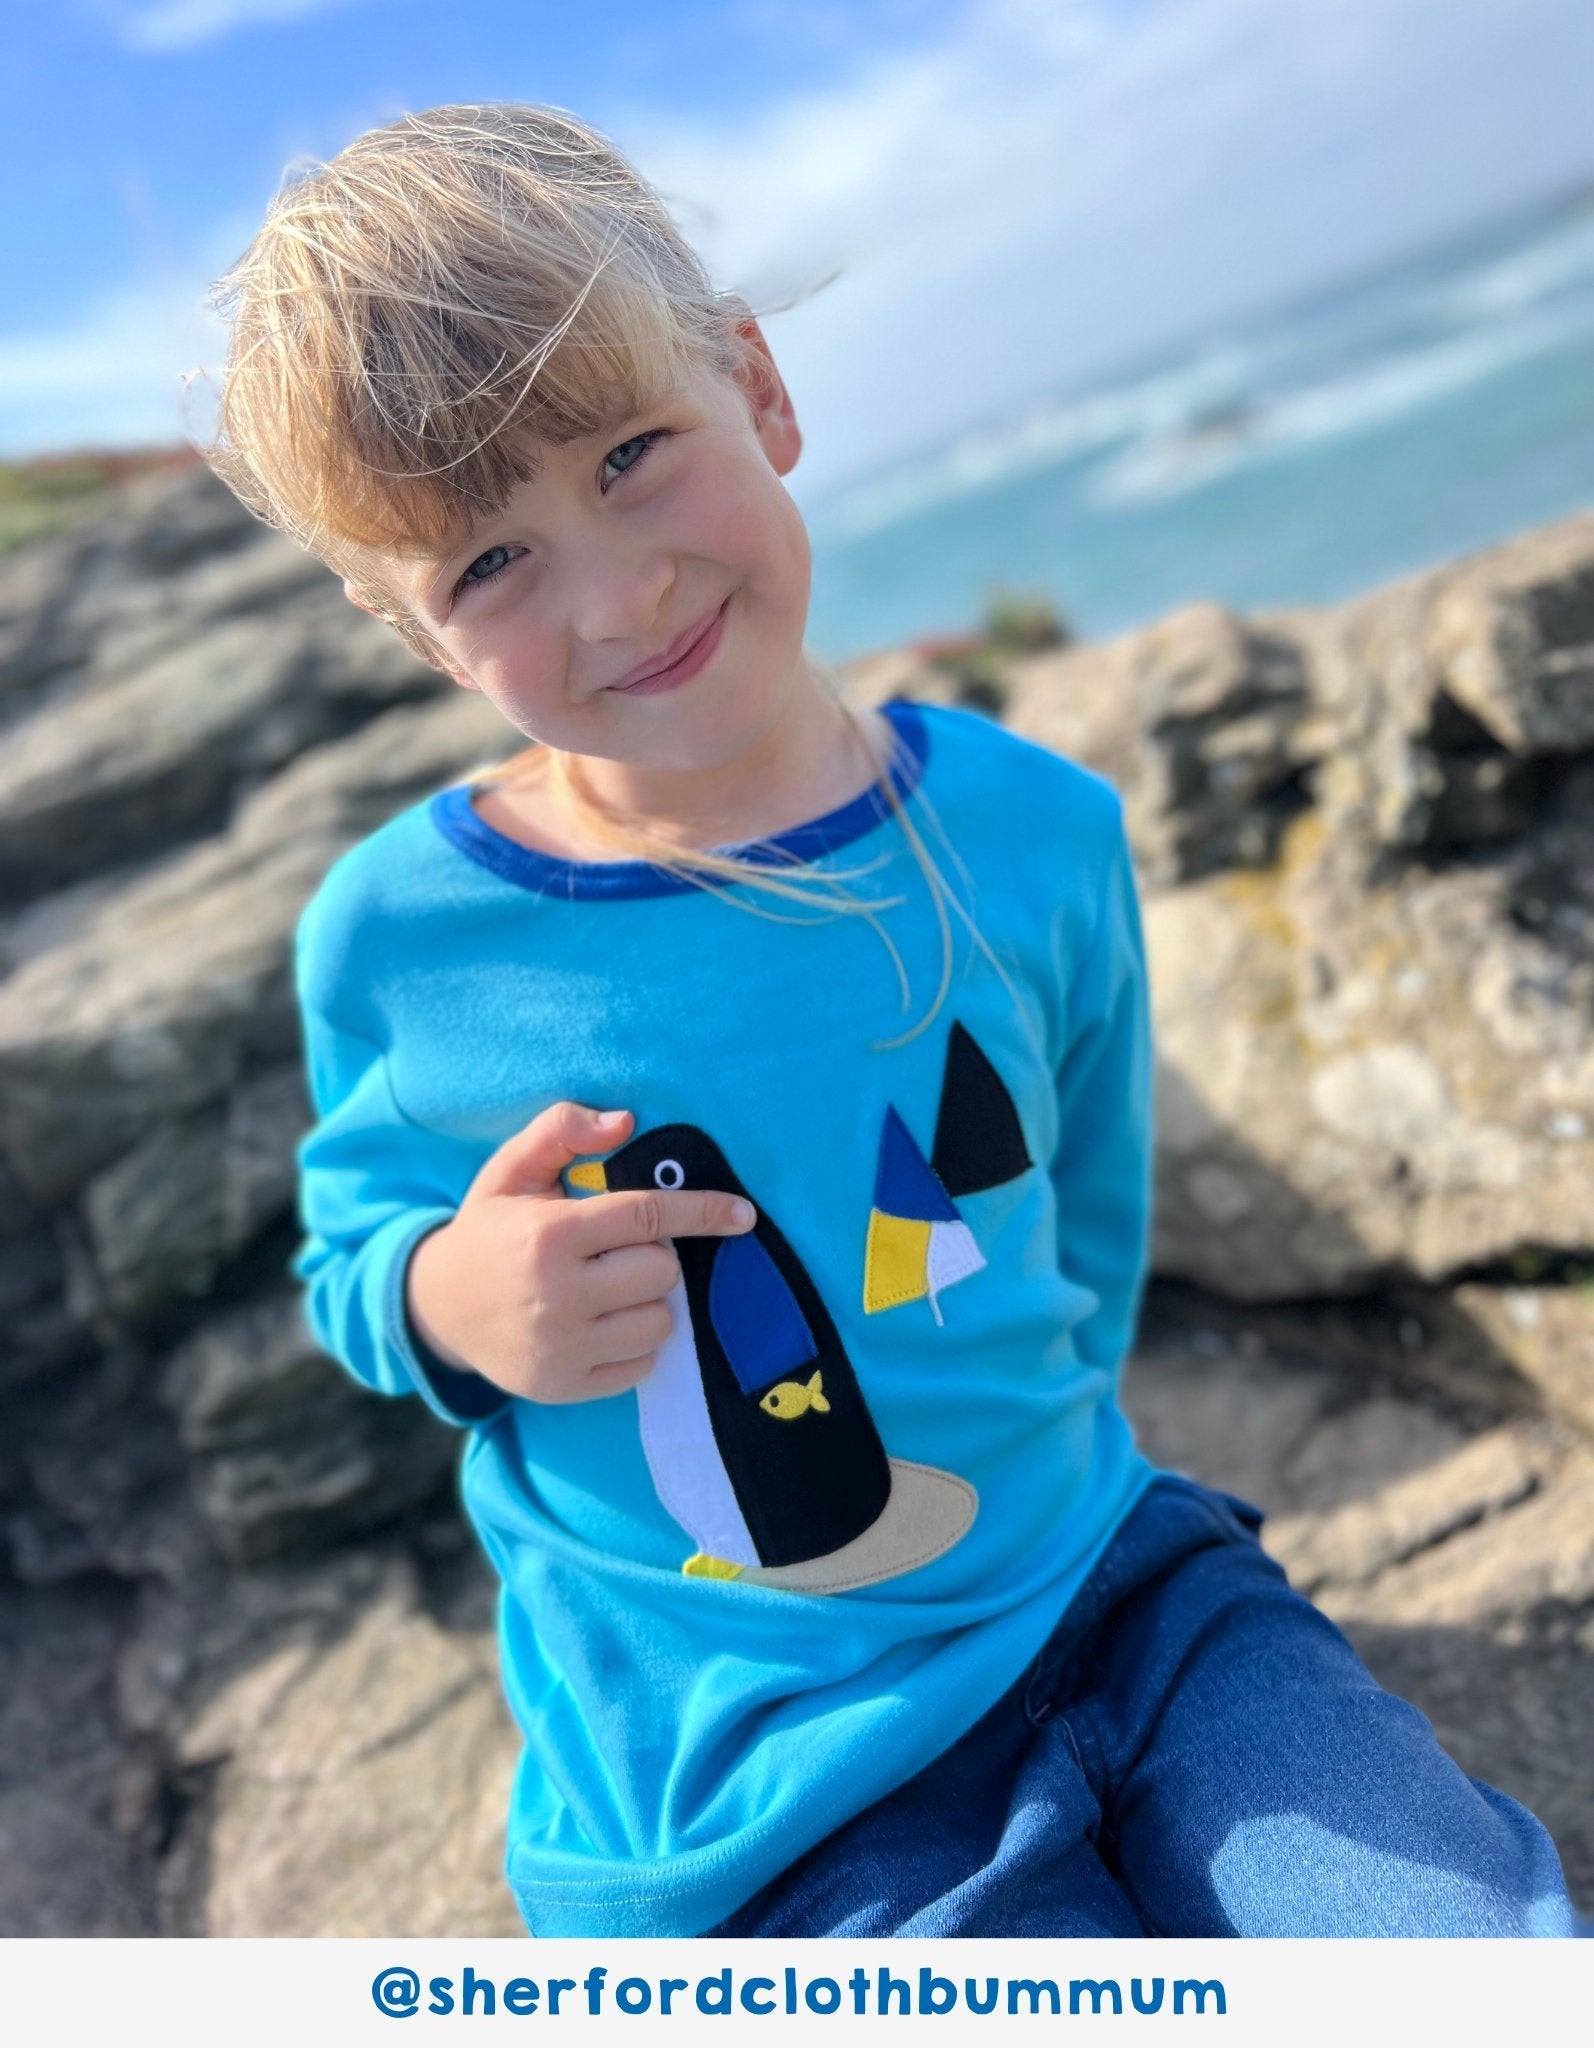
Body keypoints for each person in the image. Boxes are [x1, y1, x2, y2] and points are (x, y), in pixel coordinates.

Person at [205, 102, 1575, 1940]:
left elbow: (1088, 1207)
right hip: (757, 1745)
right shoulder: (405, 939)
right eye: (488, 566)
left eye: (629, 453)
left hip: (1120, 1592)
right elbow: (352, 1252)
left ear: (756, 386)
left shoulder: (1032, 828)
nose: (615, 595)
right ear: (416, 633)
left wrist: (1063, 1467)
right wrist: (453, 1301)